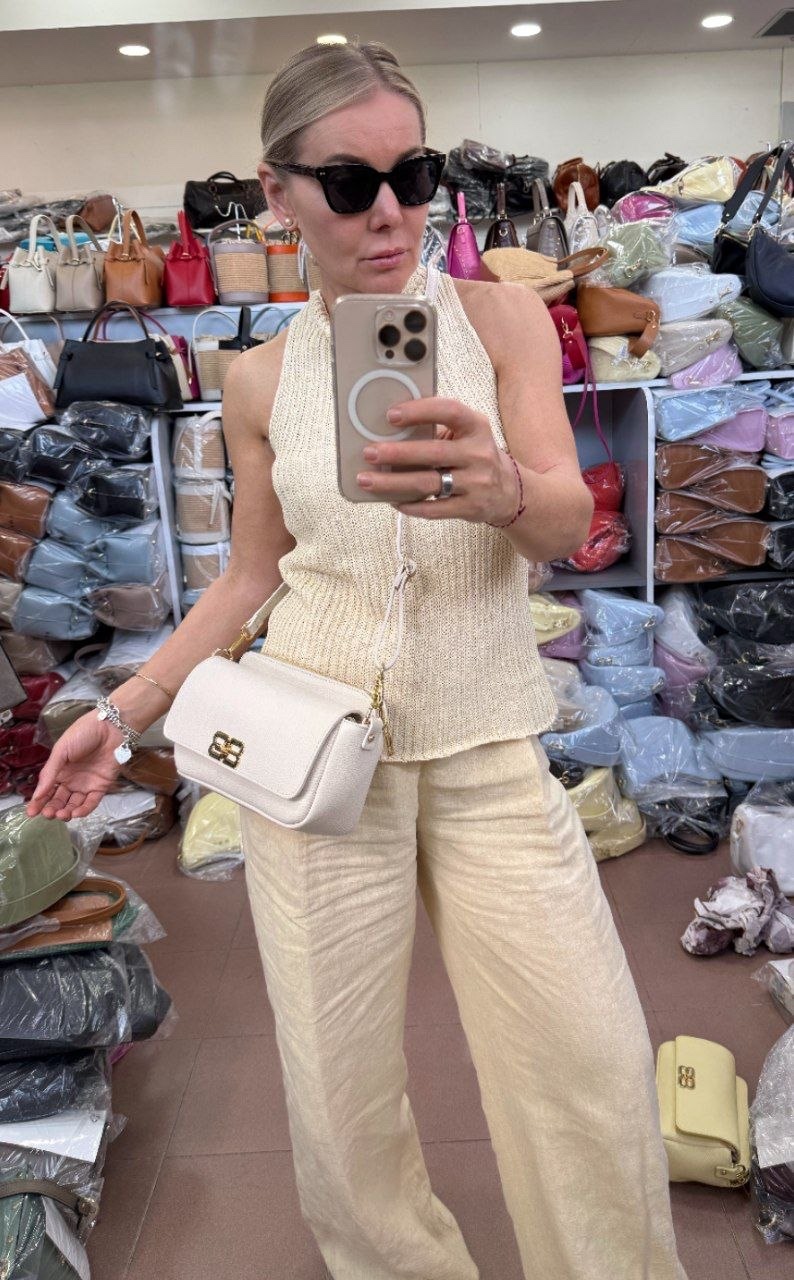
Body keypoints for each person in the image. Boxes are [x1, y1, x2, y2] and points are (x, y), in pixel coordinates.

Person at [26, 41, 689, 1280]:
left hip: (489, 746)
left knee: (586, 1066)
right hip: (317, 762)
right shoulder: (258, 378)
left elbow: (565, 521)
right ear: (277, 194)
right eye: (347, 183)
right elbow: (248, 576)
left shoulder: (500, 320)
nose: (388, 211)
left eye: (411, 174)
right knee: (341, 1101)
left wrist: (500, 488)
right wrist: (123, 710)